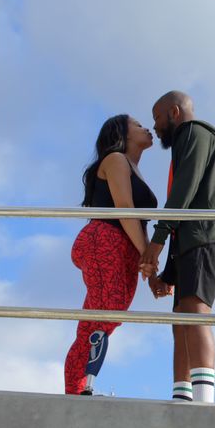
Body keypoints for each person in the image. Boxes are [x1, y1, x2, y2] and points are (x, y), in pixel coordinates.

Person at [140, 91, 215, 403]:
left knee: (195, 311)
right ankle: (182, 397)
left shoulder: (193, 133)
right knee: (181, 318)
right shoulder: (190, 141)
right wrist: (169, 273)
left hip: (207, 235)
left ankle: (204, 401)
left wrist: (157, 241)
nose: (155, 126)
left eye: (157, 118)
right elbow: (189, 202)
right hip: (195, 238)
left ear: (174, 112)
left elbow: (184, 189)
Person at [65, 114, 159, 395]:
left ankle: (79, 387)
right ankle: (77, 390)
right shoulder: (115, 160)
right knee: (104, 314)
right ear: (123, 133)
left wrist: (147, 261)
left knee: (106, 315)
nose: (147, 128)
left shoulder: (134, 168)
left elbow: (138, 221)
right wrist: (147, 256)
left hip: (126, 247)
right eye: (138, 125)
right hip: (105, 240)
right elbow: (124, 208)